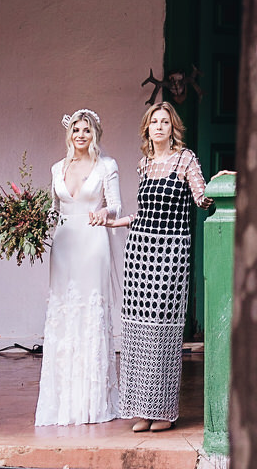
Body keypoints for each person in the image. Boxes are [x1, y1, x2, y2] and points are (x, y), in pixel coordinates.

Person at [95, 101, 210, 432]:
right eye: (154, 122)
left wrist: (221, 183)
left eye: (165, 122)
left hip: (171, 252)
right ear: (147, 129)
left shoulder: (185, 160)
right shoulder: (144, 165)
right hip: (140, 251)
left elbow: (201, 198)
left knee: (163, 330)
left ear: (173, 128)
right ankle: (141, 410)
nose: (159, 126)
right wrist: (118, 223)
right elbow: (144, 213)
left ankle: (163, 411)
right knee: (138, 330)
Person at [34, 108, 121, 426]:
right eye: (76, 130)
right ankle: (61, 403)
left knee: (89, 312)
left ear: (94, 134)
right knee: (63, 312)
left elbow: (116, 204)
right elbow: (51, 209)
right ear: (69, 134)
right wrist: (28, 223)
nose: (80, 135)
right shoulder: (57, 168)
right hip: (65, 243)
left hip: (93, 241)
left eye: (86, 130)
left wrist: (104, 214)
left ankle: (92, 402)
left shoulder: (106, 166)